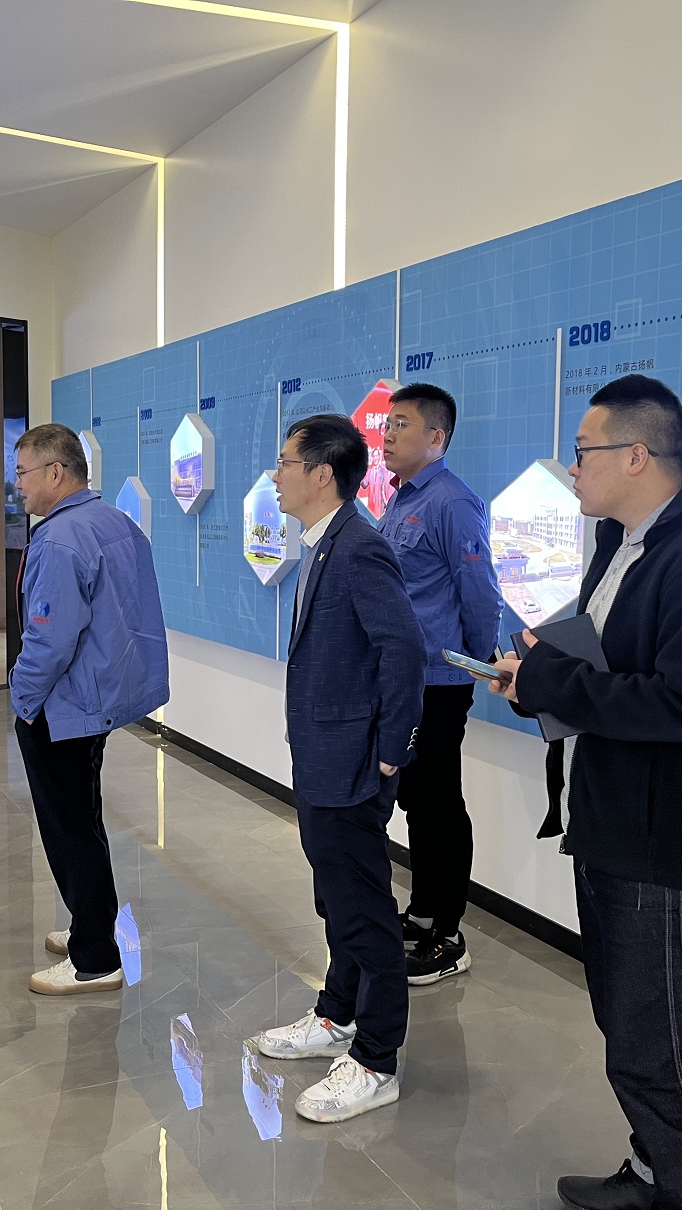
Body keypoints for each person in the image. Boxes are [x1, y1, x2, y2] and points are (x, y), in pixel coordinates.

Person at [486, 375, 682, 1210]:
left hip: (664, 845)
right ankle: (653, 1175)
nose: (573, 468)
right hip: (614, 824)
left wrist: (552, 683)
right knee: (631, 1032)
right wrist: (536, 677)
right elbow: (611, 668)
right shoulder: (623, 546)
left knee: (663, 1048)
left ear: (637, 455)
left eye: (584, 451)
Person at [253, 413, 426, 1124]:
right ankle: (338, 1014)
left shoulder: (358, 547)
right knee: (337, 898)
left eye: (285, 463)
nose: (275, 476)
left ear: (322, 473)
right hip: (325, 757)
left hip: (353, 764)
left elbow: (403, 651)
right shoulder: (326, 543)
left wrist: (390, 750)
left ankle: (377, 1059)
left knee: (363, 910)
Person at [8, 424, 170, 996]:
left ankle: (95, 959)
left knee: (69, 828)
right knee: (84, 817)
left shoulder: (59, 538)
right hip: (94, 701)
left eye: (23, 472)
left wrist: (23, 698)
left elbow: (49, 639)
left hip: (62, 707)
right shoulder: (114, 522)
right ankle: (90, 926)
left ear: (56, 472)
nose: (17, 484)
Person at [376, 382, 502, 985]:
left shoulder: (452, 502)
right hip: (406, 678)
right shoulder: (400, 499)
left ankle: (448, 934)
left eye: (401, 424)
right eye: (388, 424)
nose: (388, 434)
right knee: (417, 801)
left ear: (436, 437)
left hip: (440, 681)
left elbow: (480, 593)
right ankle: (423, 911)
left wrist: (471, 663)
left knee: (439, 803)